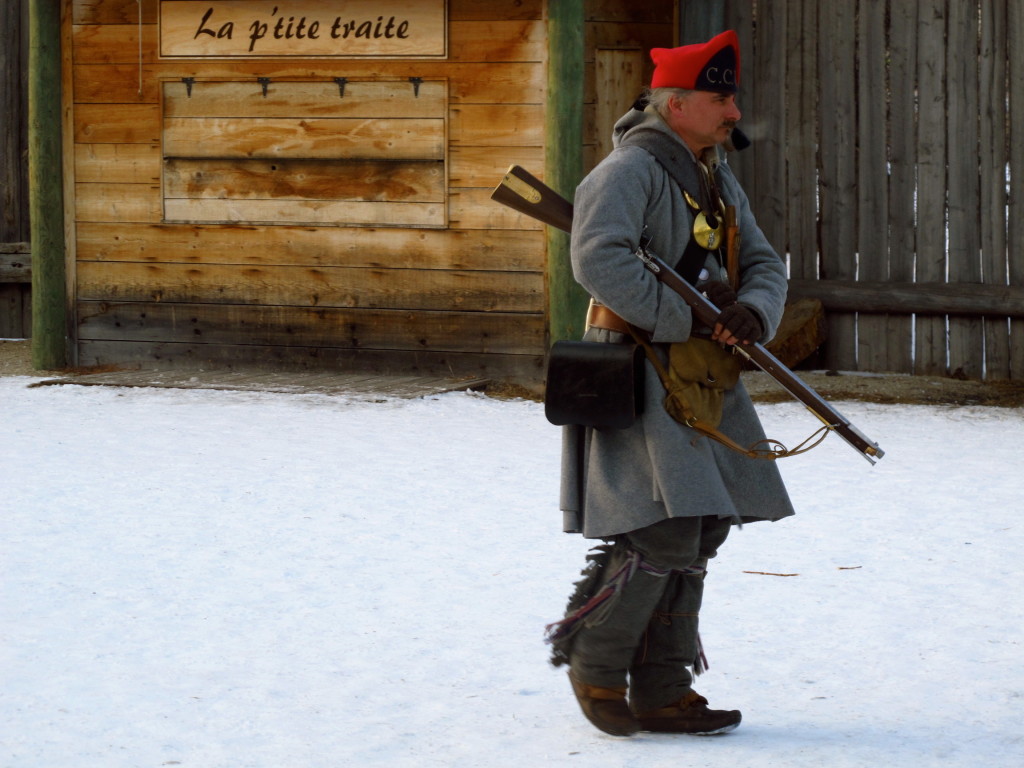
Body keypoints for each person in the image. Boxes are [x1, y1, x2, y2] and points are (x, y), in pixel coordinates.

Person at [548, 30, 796, 737]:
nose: (734, 111)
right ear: (677, 102)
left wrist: (752, 311)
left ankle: (662, 687)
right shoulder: (627, 171)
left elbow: (764, 263)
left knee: (703, 525)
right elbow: (597, 259)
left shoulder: (715, 175)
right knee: (661, 531)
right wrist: (679, 320)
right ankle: (594, 662)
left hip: (704, 371)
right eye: (722, 98)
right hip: (640, 366)